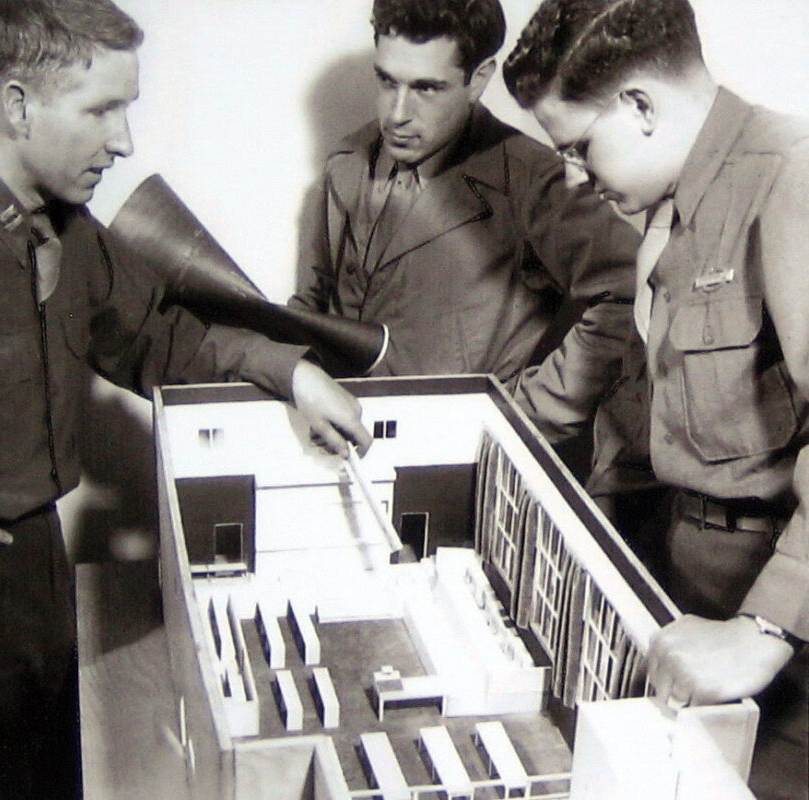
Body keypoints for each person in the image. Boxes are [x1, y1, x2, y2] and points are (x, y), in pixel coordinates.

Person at [0, 1, 371, 797]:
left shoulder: (71, 229)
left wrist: (292, 373)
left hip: (36, 570)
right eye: (103, 109)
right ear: (20, 103)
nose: (124, 140)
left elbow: (154, 339)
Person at [503, 1, 808, 797]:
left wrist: (765, 628)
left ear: (640, 106)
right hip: (688, 579)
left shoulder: (789, 176)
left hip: (781, 623)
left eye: (577, 147)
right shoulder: (669, 201)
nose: (572, 173)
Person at [289, 0, 641, 451]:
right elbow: (307, 309)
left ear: (478, 79)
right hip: (333, 449)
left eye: (427, 89)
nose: (397, 114)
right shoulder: (348, 162)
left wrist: (527, 415)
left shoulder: (533, 179)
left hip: (450, 460)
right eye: (386, 80)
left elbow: (630, 287)